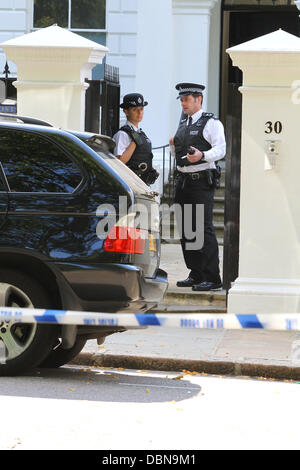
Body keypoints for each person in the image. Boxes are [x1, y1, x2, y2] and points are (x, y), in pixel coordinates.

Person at [170, 82, 226, 291]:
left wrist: (203, 155)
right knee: (187, 229)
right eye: (182, 100)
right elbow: (181, 152)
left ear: (198, 99)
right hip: (183, 181)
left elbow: (221, 149)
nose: (183, 103)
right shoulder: (183, 122)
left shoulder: (211, 123)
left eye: (187, 99)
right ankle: (196, 272)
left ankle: (213, 278)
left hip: (201, 181)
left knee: (203, 229)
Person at [113, 93, 159, 185]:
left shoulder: (140, 133)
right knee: (123, 200)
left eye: (141, 109)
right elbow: (119, 162)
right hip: (126, 186)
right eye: (135, 110)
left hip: (142, 184)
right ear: (126, 111)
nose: (139, 113)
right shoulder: (122, 134)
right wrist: (134, 142)